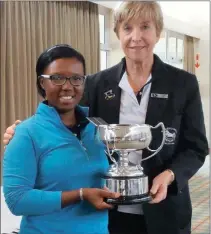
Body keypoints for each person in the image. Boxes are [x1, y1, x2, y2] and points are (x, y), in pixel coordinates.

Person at [3, 2, 209, 234]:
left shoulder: (183, 83)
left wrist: (170, 175)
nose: (136, 37)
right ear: (117, 33)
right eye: (127, 28)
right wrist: (20, 131)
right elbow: (65, 117)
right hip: (107, 210)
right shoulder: (96, 83)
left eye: (145, 27)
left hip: (165, 209)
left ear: (158, 32)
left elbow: (196, 147)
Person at [2, 44, 120, 234]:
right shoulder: (25, 134)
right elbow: (17, 200)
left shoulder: (97, 129)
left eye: (76, 79)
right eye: (57, 78)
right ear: (42, 83)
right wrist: (80, 195)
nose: (68, 86)